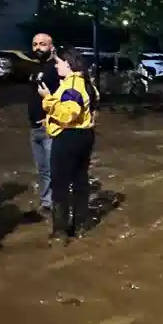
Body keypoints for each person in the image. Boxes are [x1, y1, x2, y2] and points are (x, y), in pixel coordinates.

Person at [39, 47, 98, 243]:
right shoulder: (87, 83)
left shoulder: (72, 85)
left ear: (69, 64)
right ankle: (80, 226)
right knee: (80, 181)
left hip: (69, 137)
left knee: (60, 184)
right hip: (85, 135)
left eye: (58, 63)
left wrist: (47, 99)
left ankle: (60, 232)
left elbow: (68, 113)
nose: (56, 66)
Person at [26, 33, 59, 215]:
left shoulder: (57, 68)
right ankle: (47, 203)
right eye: (35, 44)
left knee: (53, 168)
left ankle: (58, 205)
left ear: (51, 46)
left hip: (50, 126)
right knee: (42, 169)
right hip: (34, 127)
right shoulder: (34, 67)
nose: (38, 47)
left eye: (42, 44)